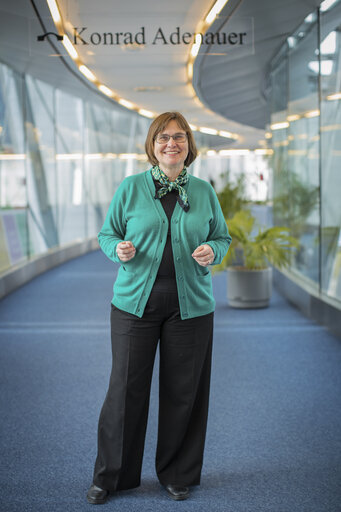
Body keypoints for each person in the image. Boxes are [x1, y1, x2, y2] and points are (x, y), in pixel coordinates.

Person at [86, 111, 232, 505]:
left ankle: (177, 473)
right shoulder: (132, 188)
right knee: (125, 390)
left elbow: (222, 237)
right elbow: (108, 232)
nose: (172, 144)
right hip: (135, 304)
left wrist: (211, 251)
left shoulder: (203, 191)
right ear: (152, 146)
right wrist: (116, 248)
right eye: (163, 137)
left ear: (189, 145)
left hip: (192, 306)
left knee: (184, 392)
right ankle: (111, 475)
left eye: (179, 137)